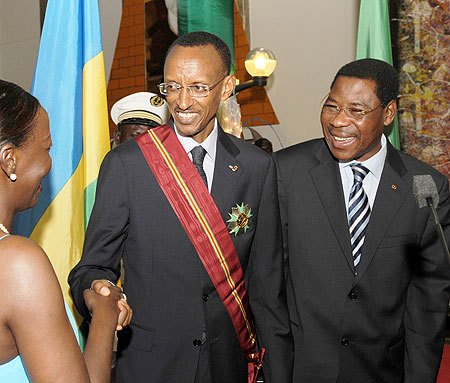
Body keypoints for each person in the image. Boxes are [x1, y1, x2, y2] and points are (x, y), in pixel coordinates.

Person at [69, 31, 292, 383]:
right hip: (152, 367)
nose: (183, 102)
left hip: (229, 365)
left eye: (199, 87)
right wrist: (100, 289)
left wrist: (278, 373)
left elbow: (268, 289)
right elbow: (91, 267)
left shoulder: (256, 167)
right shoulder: (128, 164)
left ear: (227, 86)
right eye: (172, 87)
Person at [275, 58, 450, 383]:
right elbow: (268, 287)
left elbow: (428, 301)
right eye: (331, 106)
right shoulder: (285, 172)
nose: (338, 121)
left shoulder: (425, 186)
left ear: (387, 113)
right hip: (302, 371)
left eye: (356, 110)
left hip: (382, 371)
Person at [0, 79, 132, 382]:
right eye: (47, 148)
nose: (50, 162)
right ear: (10, 160)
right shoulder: (17, 263)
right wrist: (104, 314)